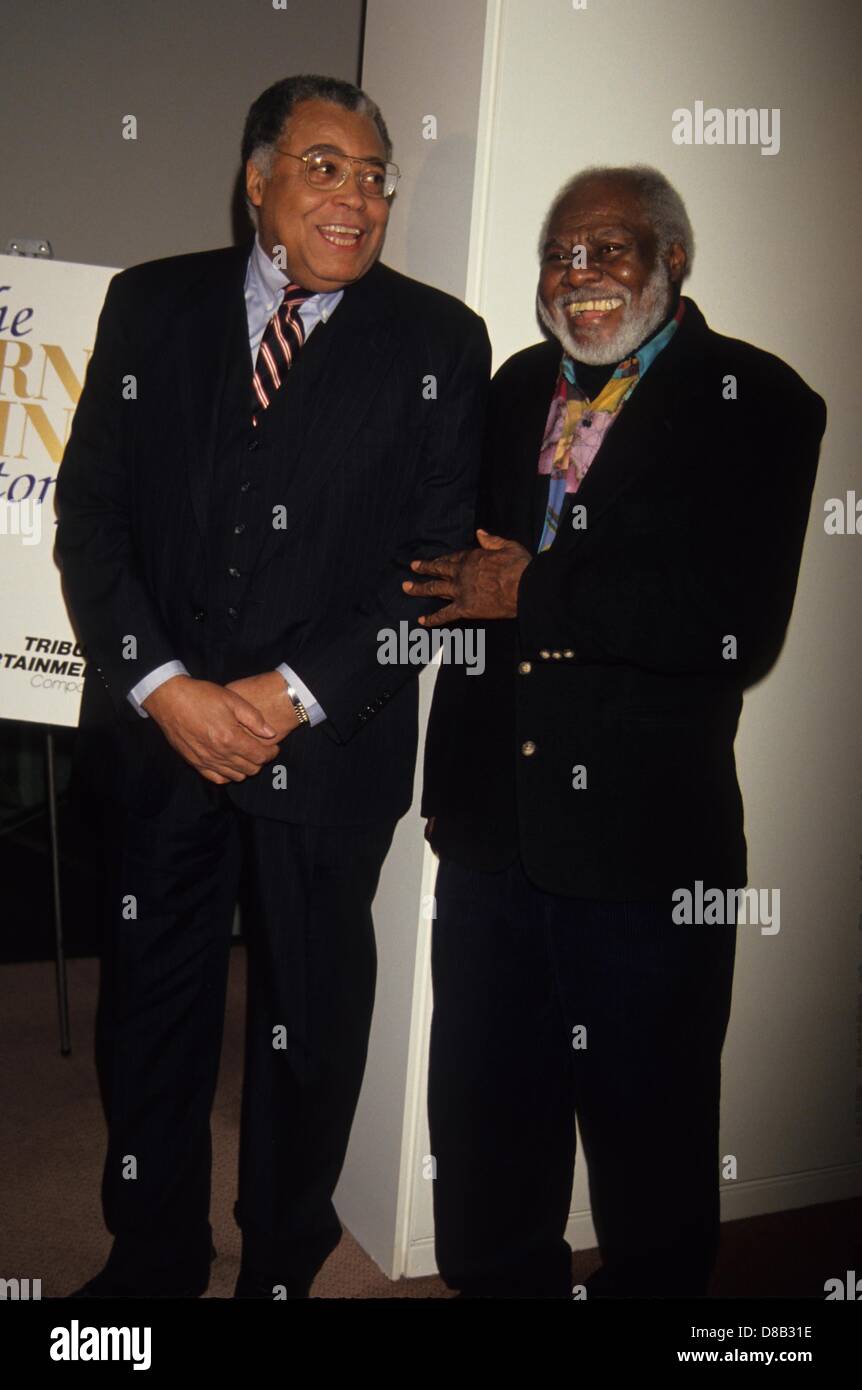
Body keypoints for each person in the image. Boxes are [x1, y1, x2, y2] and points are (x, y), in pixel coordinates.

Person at [55, 73, 490, 1299]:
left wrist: (286, 696)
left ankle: (285, 1262)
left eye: (374, 177)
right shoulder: (151, 307)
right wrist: (167, 688)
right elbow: (90, 519)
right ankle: (150, 1254)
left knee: (309, 1025)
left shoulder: (440, 341)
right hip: (160, 739)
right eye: (323, 166)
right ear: (257, 180)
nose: (355, 198)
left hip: (329, 748)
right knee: (151, 1013)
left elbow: (433, 568)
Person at [408, 165, 826, 1299]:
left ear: (674, 258)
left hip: (648, 855)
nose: (578, 276)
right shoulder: (510, 386)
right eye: (559, 254)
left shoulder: (759, 398)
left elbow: (731, 620)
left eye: (609, 250)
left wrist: (529, 592)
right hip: (493, 836)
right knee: (487, 1124)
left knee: (650, 1145)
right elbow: (448, 560)